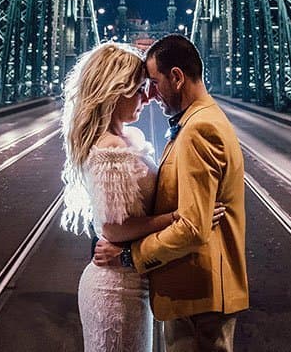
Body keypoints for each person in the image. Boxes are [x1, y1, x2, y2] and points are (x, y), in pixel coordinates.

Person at [60, 42, 226, 352]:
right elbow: (112, 229)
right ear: (115, 92)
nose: (148, 97)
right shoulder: (110, 150)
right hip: (115, 290)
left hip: (134, 283)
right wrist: (175, 218)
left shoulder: (128, 138)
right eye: (139, 89)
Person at [94, 34, 248, 352]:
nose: (151, 95)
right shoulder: (200, 120)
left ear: (176, 77)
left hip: (199, 299)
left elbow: (192, 228)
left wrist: (127, 256)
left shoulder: (198, 130)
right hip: (196, 296)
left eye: (153, 82)